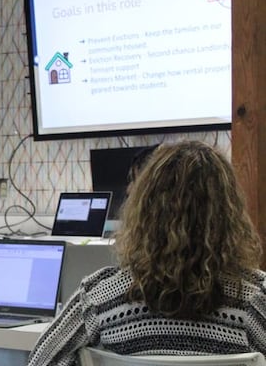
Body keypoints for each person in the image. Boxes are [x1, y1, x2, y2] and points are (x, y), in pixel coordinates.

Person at [27, 140, 266, 365]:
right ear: (230, 214)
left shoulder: (100, 297)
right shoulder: (254, 299)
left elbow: (41, 360)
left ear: (143, 211)